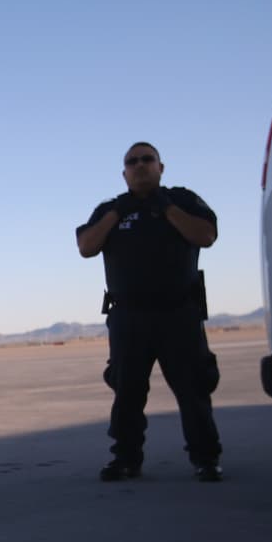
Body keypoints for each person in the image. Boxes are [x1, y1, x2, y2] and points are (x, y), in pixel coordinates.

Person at [76, 141, 223, 482]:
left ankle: (206, 458)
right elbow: (86, 247)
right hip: (129, 318)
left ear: (161, 167)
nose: (140, 165)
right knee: (127, 392)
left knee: (193, 389)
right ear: (124, 172)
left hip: (178, 313)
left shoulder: (183, 201)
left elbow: (206, 235)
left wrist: (166, 208)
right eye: (132, 162)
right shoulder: (111, 209)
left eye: (147, 159)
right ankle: (126, 459)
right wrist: (118, 213)